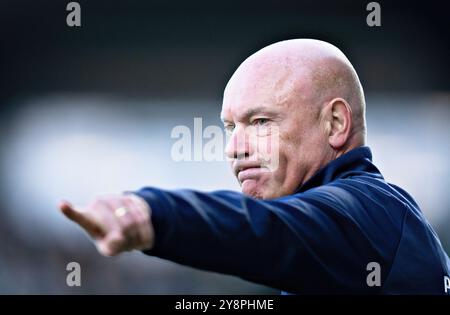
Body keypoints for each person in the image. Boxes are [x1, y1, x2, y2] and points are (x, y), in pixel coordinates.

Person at [60, 39, 450, 294]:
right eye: (230, 127)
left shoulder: (367, 214)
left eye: (261, 122)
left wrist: (153, 214)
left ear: (335, 124)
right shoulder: (345, 233)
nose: (234, 149)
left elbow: (262, 228)